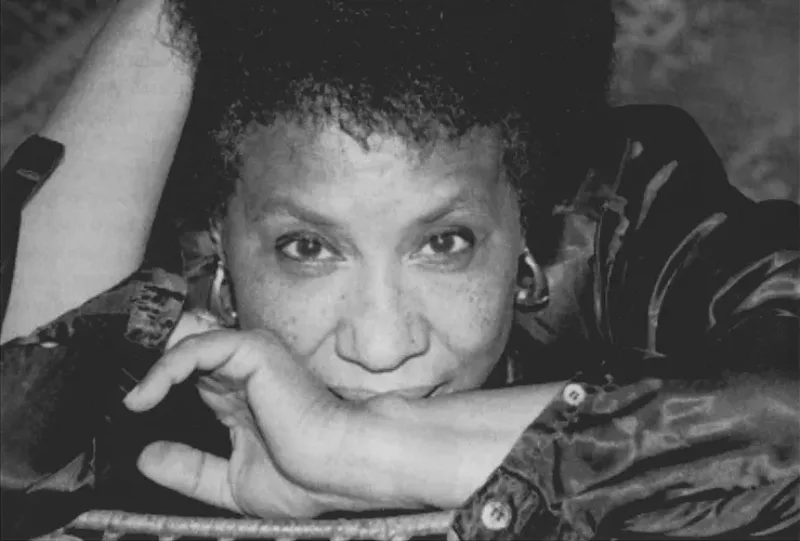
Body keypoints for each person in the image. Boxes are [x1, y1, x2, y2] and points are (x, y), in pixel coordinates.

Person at [1, 1, 798, 539]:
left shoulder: (619, 217)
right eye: (308, 248)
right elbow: (12, 440)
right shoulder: (172, 306)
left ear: (531, 215)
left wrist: (366, 448)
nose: (382, 346)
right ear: (218, 240)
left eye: (444, 242)